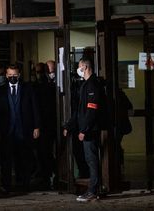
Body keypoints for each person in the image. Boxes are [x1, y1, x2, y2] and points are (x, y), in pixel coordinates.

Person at [0, 64, 41, 193]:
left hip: (24, 129)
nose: (12, 78)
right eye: (10, 76)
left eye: (15, 75)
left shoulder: (28, 89)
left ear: (19, 75)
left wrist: (37, 126)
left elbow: (35, 108)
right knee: (6, 160)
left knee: (24, 159)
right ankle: (6, 185)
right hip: (7, 131)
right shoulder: (1, 90)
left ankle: (24, 185)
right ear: (6, 75)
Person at [63, 57, 102, 202]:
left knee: (92, 161)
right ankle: (92, 190)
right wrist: (69, 125)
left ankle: (93, 191)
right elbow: (80, 111)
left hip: (90, 131)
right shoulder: (86, 85)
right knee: (89, 159)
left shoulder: (92, 85)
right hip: (86, 129)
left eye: (79, 67)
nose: (78, 70)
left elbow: (91, 111)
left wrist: (84, 130)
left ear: (85, 67)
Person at [32, 63, 56, 190]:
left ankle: (49, 176)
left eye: (41, 72)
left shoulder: (49, 87)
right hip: (39, 126)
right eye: (36, 72)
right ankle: (44, 176)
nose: (39, 74)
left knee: (47, 153)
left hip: (48, 126)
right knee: (41, 153)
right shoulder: (34, 87)